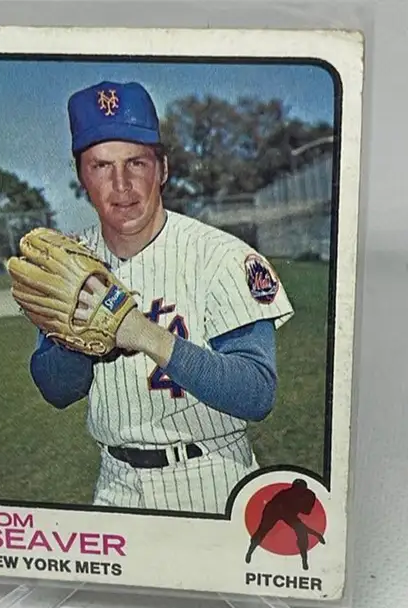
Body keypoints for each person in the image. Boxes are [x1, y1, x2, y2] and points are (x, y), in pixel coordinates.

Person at [27, 80, 294, 514]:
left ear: (163, 169)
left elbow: (256, 393)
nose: (121, 184)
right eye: (101, 166)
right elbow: (57, 390)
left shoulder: (221, 256)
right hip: (115, 482)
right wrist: (75, 340)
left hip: (211, 475)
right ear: (81, 178)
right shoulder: (67, 261)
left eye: (136, 162)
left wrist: (143, 334)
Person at [244, 479, 326, 570]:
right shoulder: (284, 496)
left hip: (287, 511)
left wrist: (316, 534)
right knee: (262, 531)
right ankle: (250, 552)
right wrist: (316, 534)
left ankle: (304, 559)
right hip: (274, 509)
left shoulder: (309, 495)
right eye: (295, 489)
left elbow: (306, 513)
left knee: (302, 532)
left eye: (299, 490)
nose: (296, 492)